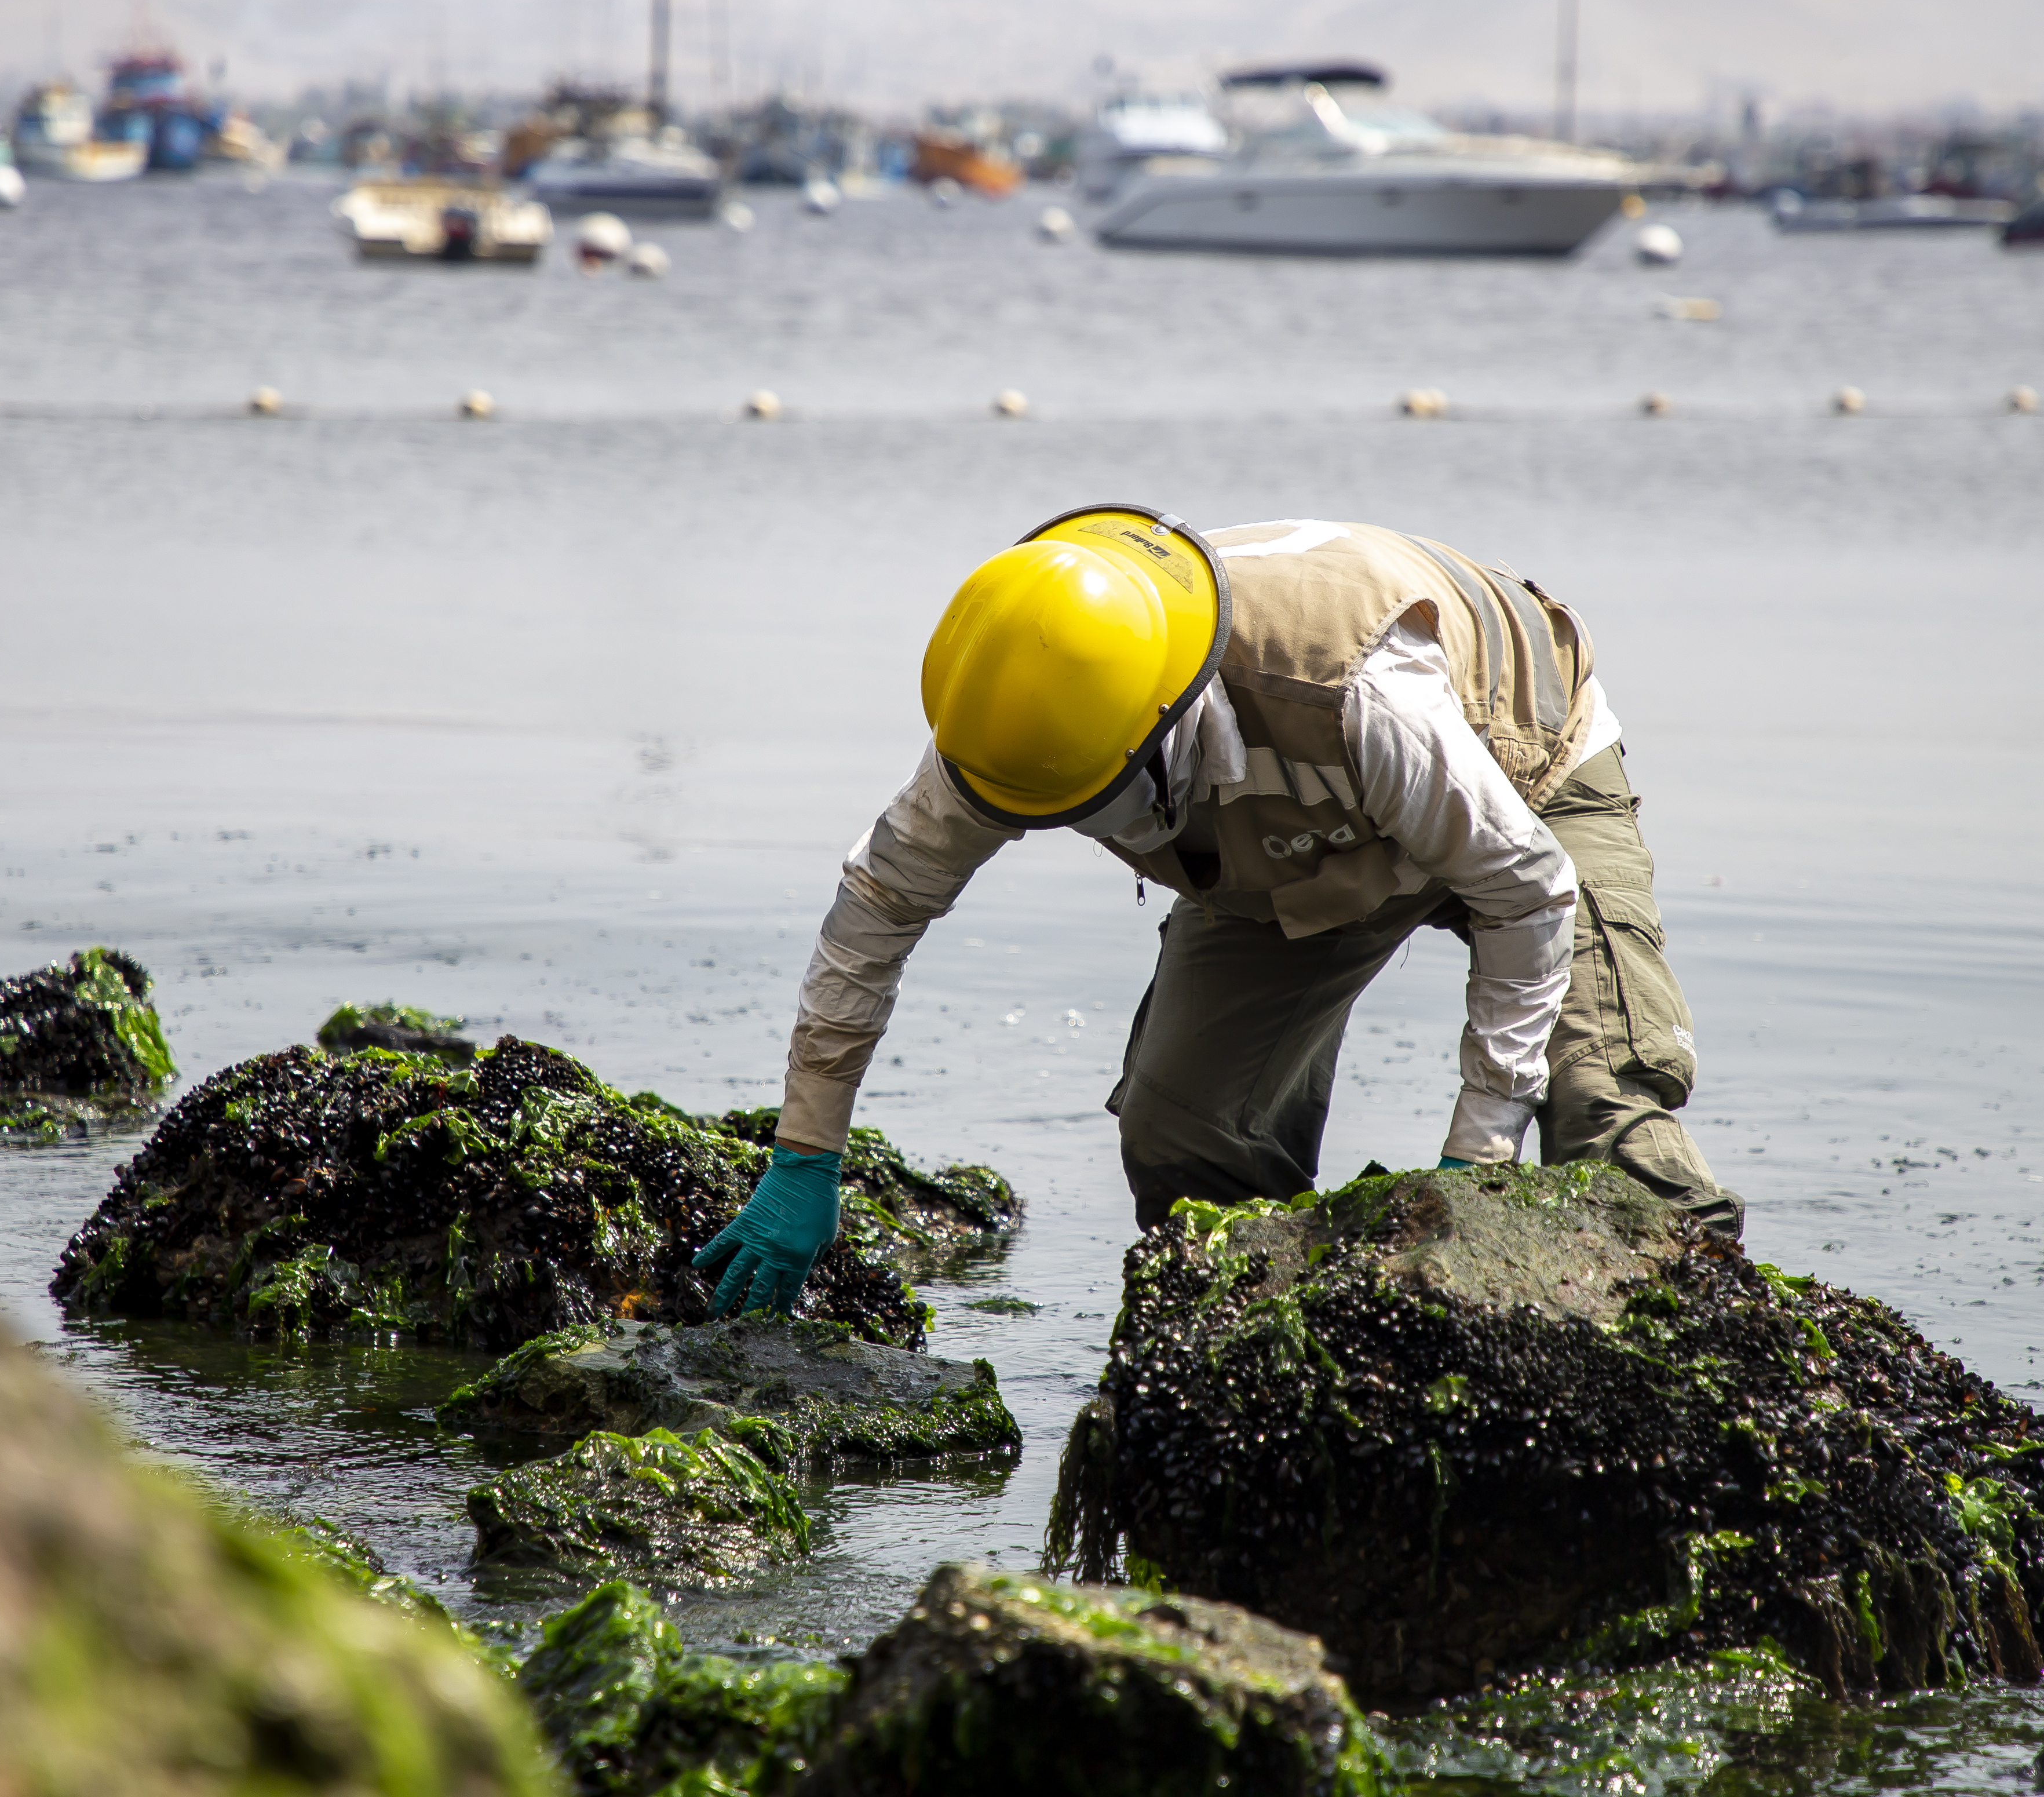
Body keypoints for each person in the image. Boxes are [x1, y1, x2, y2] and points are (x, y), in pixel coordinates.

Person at [694, 505, 1741, 1317]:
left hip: (1522, 769)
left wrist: (1474, 1169)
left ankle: (1699, 1361)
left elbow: (1526, 894)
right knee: (1183, 1130)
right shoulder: (1012, 727)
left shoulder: (1366, 693)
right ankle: (1268, 1356)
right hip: (1274, 830)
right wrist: (805, 1156)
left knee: (1603, 1112)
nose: (1088, 833)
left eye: (1099, 807)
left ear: (1163, 721)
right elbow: (875, 914)